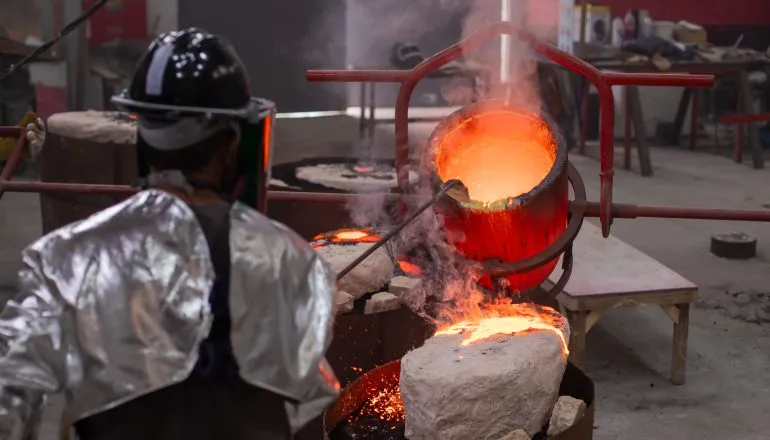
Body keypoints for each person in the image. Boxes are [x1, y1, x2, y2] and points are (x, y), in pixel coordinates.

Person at [0, 28, 340, 440]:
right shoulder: (295, 261)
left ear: (143, 138)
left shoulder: (64, 257)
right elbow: (308, 397)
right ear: (231, 145)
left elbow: (10, 395)